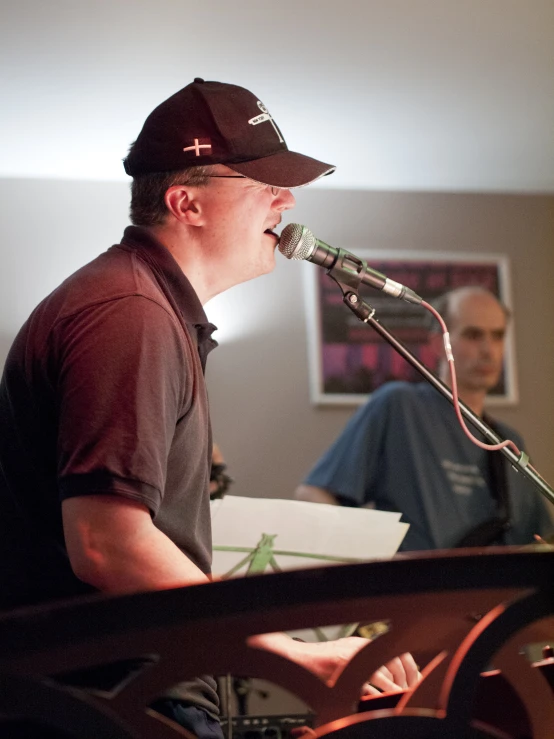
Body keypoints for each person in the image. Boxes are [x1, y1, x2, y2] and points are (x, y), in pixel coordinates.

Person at [0, 78, 419, 737]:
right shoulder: (131, 314)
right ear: (186, 202)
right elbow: (106, 542)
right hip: (105, 706)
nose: (288, 201)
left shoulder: (141, 304)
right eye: (263, 183)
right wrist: (291, 655)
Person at [296, 286, 553, 551]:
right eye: (473, 335)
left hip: (497, 591)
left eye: (498, 336)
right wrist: (369, 559)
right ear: (437, 343)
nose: (489, 350)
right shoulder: (399, 407)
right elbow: (312, 495)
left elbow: (542, 540)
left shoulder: (509, 443)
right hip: (412, 589)